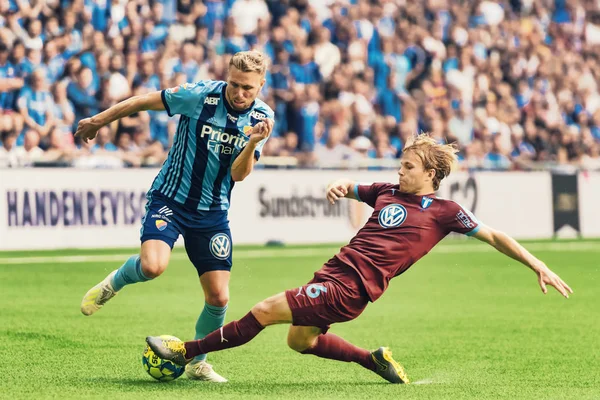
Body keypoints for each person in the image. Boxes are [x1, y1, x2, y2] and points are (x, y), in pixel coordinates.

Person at [146, 134, 573, 384]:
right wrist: (339, 185)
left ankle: (184, 352)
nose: (400, 171)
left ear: (431, 176)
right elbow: (353, 186)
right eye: (401, 164)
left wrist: (538, 264)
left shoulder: (444, 213)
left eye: (409, 167)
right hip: (334, 272)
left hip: (349, 289)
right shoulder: (387, 191)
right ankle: (373, 359)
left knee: (262, 311)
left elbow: (495, 235)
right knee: (300, 341)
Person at [78, 51, 275, 382]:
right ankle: (115, 282)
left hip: (212, 212)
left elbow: (239, 175)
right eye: (235, 85)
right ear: (227, 76)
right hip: (170, 199)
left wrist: (253, 141)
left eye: (249, 89)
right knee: (153, 267)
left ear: (261, 85)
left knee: (219, 297)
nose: (241, 94)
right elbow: (142, 101)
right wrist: (99, 120)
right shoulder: (199, 96)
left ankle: (198, 362)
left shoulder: (262, 116)